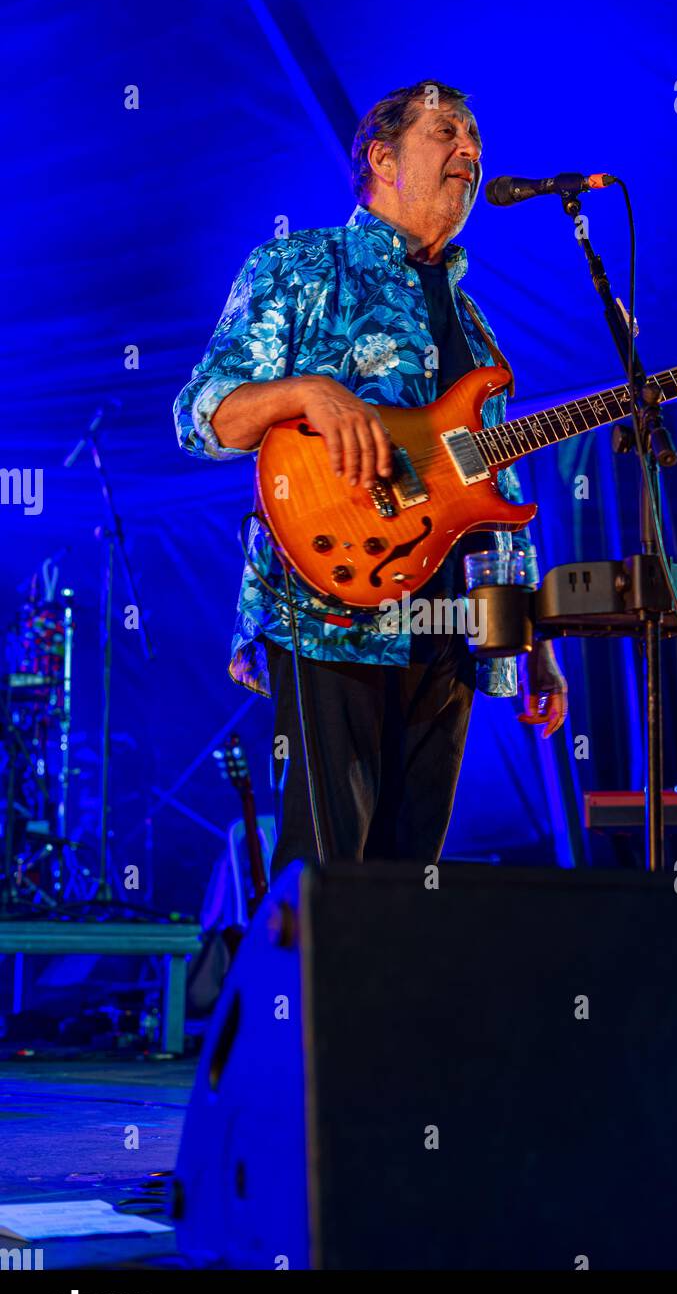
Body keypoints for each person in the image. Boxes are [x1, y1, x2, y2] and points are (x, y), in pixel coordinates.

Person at [174, 80, 567, 875]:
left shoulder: (477, 325)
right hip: (330, 608)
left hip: (451, 631)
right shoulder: (298, 266)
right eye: (446, 133)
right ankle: (295, 1005)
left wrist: (536, 640)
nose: (470, 152)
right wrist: (307, 392)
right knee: (325, 874)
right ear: (382, 158)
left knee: (406, 884)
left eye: (475, 140)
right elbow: (199, 415)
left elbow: (502, 498)